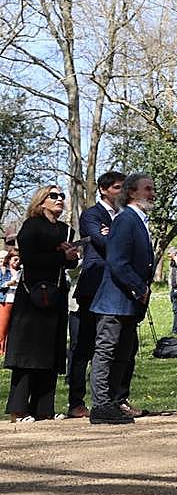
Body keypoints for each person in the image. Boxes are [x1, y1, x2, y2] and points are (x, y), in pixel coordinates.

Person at [5, 185, 79, 421]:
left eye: (62, 196)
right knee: (28, 353)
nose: (59, 200)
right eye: (53, 196)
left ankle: (43, 408)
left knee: (51, 351)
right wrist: (60, 256)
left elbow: (68, 264)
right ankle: (19, 409)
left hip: (55, 294)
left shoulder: (67, 230)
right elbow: (29, 258)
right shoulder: (31, 225)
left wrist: (71, 256)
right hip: (32, 296)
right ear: (41, 201)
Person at [89, 173, 155, 425]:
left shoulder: (138, 220)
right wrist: (140, 288)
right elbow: (117, 260)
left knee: (124, 353)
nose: (152, 194)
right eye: (147, 189)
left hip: (128, 301)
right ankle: (101, 406)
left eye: (152, 189)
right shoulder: (126, 219)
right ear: (131, 193)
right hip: (115, 299)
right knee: (107, 350)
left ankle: (114, 402)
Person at [66, 170, 124, 419]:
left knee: (119, 347)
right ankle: (76, 402)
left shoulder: (124, 216)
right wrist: (116, 238)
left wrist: (113, 235)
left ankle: (116, 400)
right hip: (94, 287)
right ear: (104, 189)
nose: (122, 192)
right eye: (118, 188)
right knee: (84, 346)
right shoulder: (92, 214)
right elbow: (102, 244)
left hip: (118, 288)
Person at [0, 250, 20, 353]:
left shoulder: (21, 272)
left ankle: (8, 350)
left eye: (19, 259)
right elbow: (1, 285)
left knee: (13, 327)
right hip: (5, 301)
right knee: (2, 327)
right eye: (15, 259)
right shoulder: (3, 271)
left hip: (17, 302)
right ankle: (1, 350)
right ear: (9, 259)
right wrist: (8, 283)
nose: (17, 262)